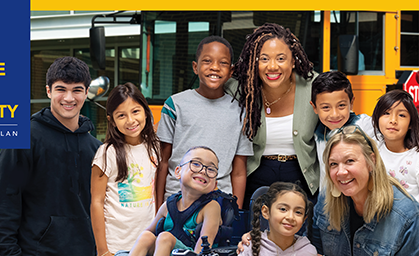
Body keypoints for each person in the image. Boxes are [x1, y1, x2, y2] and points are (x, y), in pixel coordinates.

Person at [0, 56, 102, 256]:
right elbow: (2, 202)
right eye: (61, 89)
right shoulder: (25, 139)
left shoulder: (96, 148)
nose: (69, 98)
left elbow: (102, 209)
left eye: (76, 90)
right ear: (48, 90)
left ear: (86, 93)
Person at [98, 146, 222, 256]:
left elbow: (205, 242)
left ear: (215, 184)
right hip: (165, 253)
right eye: (196, 164)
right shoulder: (169, 204)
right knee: (147, 236)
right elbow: (148, 234)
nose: (203, 170)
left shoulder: (211, 207)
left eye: (211, 169)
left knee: (165, 236)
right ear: (178, 172)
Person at [312, 125, 419, 256]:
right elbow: (314, 253)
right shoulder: (326, 200)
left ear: (372, 161)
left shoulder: (405, 215)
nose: (341, 172)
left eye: (350, 161)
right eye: (333, 164)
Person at [225, 23, 319, 210]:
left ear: (293, 61)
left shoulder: (314, 86)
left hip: (302, 178)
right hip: (254, 177)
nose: (272, 66)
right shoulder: (237, 89)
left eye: (281, 58)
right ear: (253, 62)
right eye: (264, 59)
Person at [156, 35, 253, 210]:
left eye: (223, 63)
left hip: (219, 205)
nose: (215, 67)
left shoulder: (241, 112)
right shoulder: (175, 105)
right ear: (195, 67)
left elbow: (239, 172)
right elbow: (163, 162)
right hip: (176, 202)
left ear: (231, 71)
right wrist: (158, 208)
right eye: (207, 61)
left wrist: (235, 212)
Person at [90, 83, 161, 256]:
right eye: (121, 115)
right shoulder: (106, 153)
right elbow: (96, 202)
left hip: (147, 245)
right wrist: (102, 252)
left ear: (145, 112)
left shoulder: (154, 147)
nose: (131, 120)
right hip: (116, 248)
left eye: (135, 111)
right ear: (111, 120)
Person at [227, 182, 318, 256]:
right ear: (266, 212)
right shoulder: (249, 249)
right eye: (283, 209)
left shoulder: (309, 252)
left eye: (298, 212)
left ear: (304, 218)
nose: (290, 217)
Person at [311, 70, 375, 188]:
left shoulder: (364, 125)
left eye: (341, 105)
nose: (334, 114)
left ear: (351, 103)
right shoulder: (318, 133)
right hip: (329, 199)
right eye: (326, 107)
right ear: (314, 107)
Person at [372, 89, 419, 200]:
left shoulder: (416, 159)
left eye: (402, 115)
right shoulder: (372, 150)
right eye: (386, 113)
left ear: (410, 124)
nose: (393, 120)